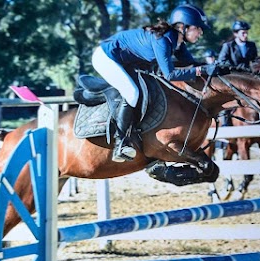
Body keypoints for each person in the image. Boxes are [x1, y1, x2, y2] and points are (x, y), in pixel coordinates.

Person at [91, 4, 212, 163]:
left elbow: (192, 65)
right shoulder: (163, 40)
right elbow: (170, 74)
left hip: (125, 62)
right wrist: (201, 70)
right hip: (106, 58)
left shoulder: (178, 42)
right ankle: (120, 142)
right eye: (198, 28)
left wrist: (214, 69)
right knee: (132, 93)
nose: (201, 33)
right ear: (183, 26)